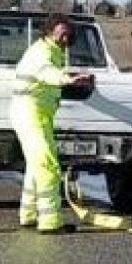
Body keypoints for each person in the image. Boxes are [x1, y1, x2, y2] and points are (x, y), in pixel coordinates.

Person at [11, 14, 93, 234]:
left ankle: (28, 214)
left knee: (36, 164)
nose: (65, 38)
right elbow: (47, 72)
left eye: (68, 34)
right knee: (48, 164)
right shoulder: (42, 52)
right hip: (30, 113)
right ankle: (50, 222)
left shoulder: (54, 52)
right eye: (61, 33)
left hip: (38, 113)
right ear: (49, 32)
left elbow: (51, 73)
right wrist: (68, 80)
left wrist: (70, 77)